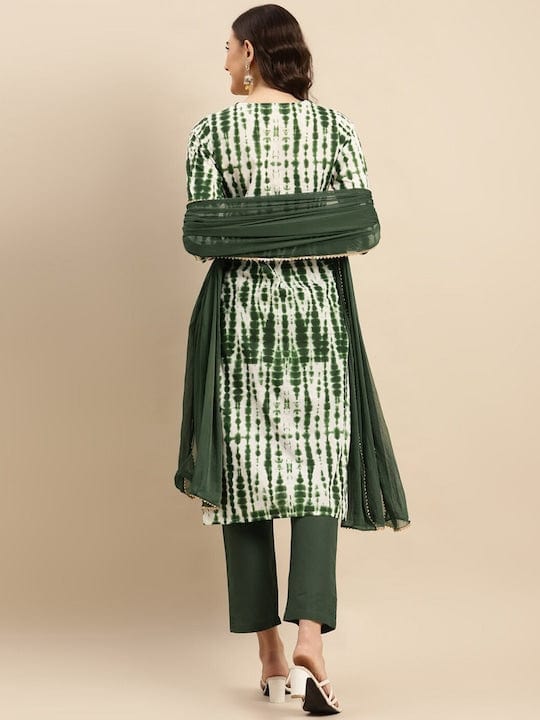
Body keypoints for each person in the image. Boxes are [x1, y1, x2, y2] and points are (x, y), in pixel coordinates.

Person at [174, 4, 411, 714]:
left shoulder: (212, 133)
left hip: (242, 319)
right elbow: (349, 227)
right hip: (316, 315)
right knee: (316, 473)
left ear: (250, 52)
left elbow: (213, 233)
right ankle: (311, 641)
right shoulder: (335, 129)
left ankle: (271, 654)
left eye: (227, 48)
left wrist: (249, 230)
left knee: (242, 478)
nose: (223, 61)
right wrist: (307, 226)